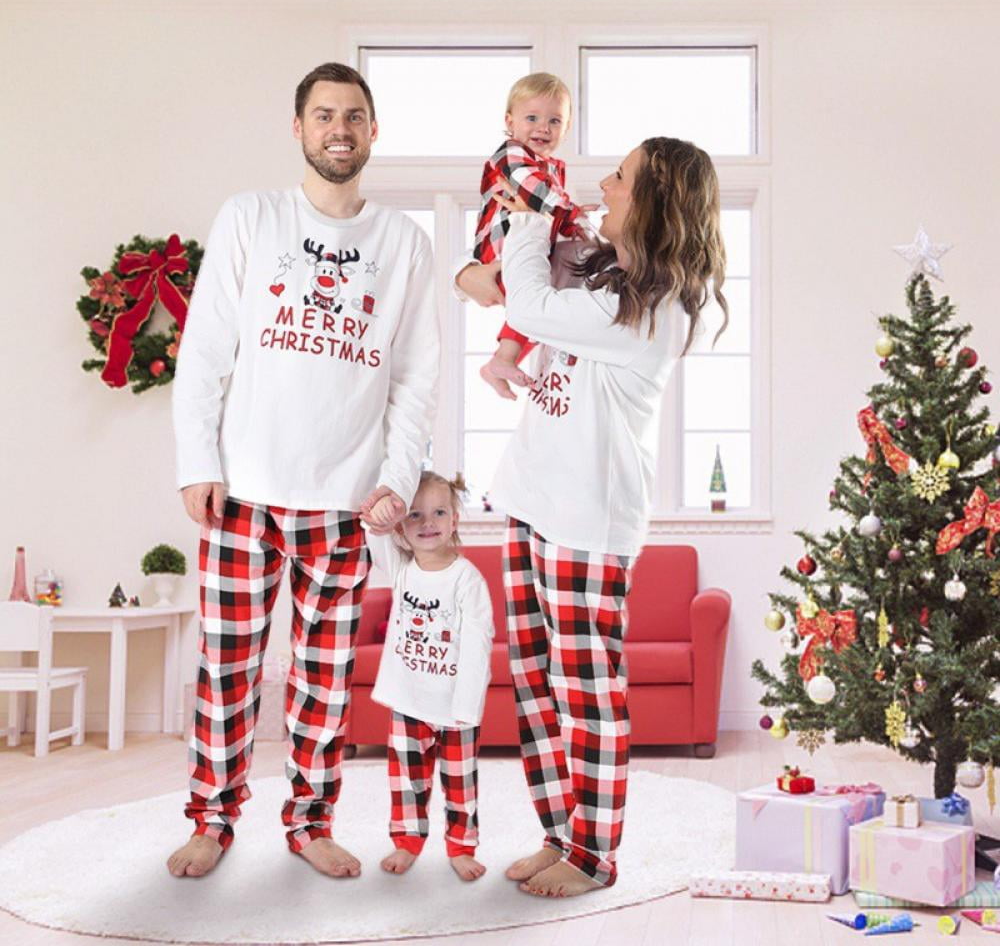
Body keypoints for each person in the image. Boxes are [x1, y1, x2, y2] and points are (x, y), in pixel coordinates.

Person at [167, 62, 439, 880]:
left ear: (373, 130)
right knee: (229, 669)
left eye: (354, 115)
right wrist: (196, 462)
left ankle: (310, 823)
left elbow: (416, 379)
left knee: (324, 680)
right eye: (324, 115)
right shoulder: (252, 218)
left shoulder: (404, 244)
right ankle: (212, 821)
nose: (339, 128)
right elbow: (206, 351)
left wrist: (395, 479)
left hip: (347, 502)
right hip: (244, 493)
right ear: (299, 128)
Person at [457, 137, 728, 897]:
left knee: (588, 692)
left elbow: (532, 305)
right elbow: (507, 296)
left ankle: (596, 854)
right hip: (530, 496)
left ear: (655, 202)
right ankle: (560, 833)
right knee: (537, 684)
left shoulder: (652, 307)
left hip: (586, 515)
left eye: (620, 178)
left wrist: (529, 217)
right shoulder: (604, 277)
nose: (603, 185)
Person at [365, 471, 494, 882]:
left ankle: (460, 846)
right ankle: (407, 841)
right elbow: (375, 532)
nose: (428, 523)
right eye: (415, 515)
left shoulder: (466, 579)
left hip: (454, 703)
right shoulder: (401, 568)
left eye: (439, 512)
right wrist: (384, 510)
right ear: (402, 527)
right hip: (408, 699)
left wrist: (468, 705)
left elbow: (478, 643)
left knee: (459, 782)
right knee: (406, 779)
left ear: (454, 519)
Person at [461, 72, 596, 400]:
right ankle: (501, 361)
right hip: (505, 245)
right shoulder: (511, 154)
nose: (543, 128)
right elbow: (534, 193)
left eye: (554, 120)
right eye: (532, 118)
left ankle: (502, 361)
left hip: (528, 246)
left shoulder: (551, 168)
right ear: (510, 122)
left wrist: (574, 225)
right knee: (539, 303)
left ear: (566, 127)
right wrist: (572, 213)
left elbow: (549, 212)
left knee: (544, 304)